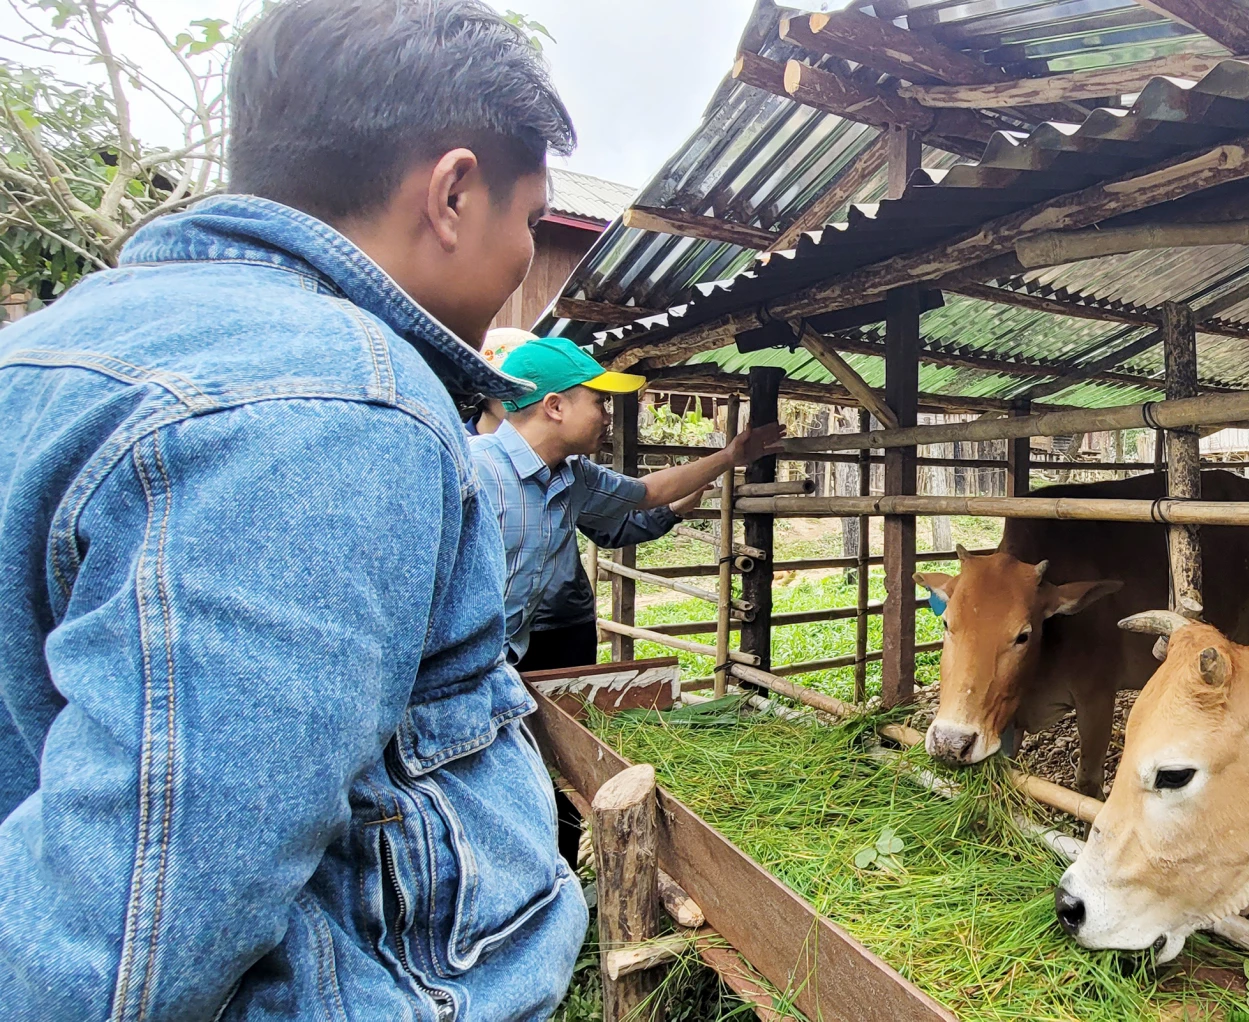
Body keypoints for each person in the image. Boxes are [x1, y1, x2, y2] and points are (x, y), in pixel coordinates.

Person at [0, 2, 593, 1018]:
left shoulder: (53, 348)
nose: (519, 271)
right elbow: (132, 937)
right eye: (530, 223)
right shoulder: (335, 404)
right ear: (453, 193)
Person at [470, 336, 782, 667]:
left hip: (505, 660)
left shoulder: (575, 475)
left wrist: (730, 456)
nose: (607, 417)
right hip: (454, 670)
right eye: (599, 403)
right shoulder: (471, 469)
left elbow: (647, 492)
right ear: (555, 406)